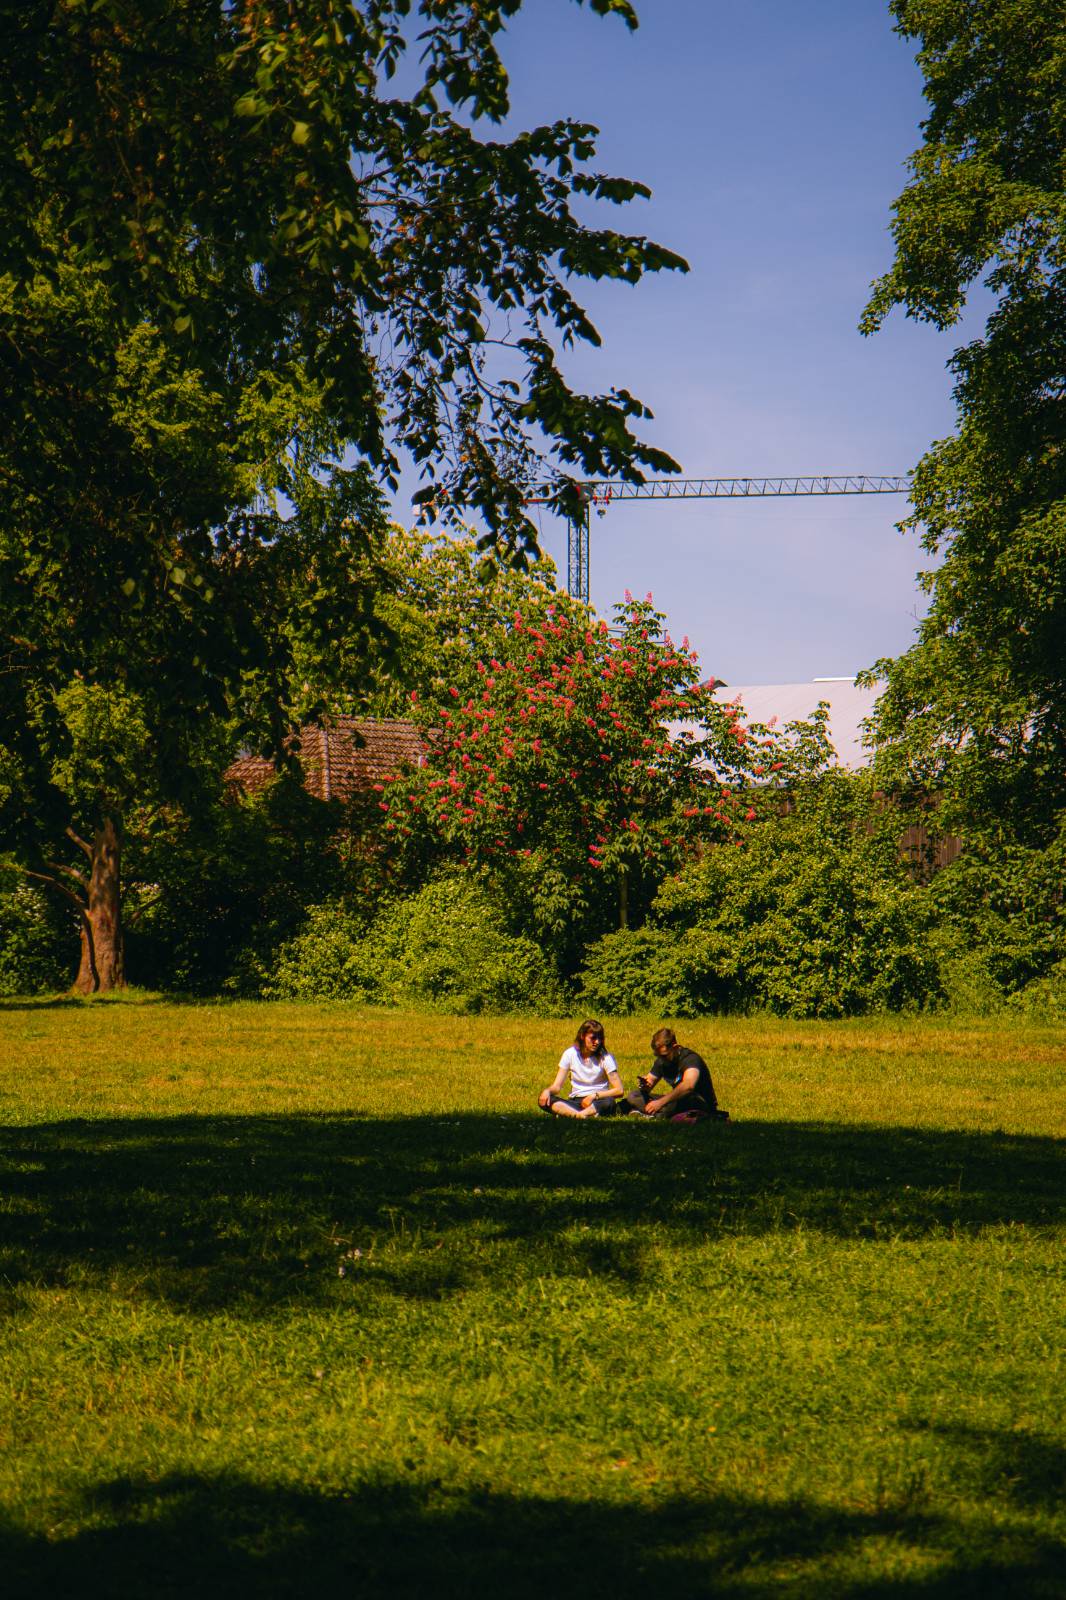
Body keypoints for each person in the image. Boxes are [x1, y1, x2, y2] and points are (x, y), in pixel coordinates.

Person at [625, 1027, 721, 1120]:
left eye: (663, 1055)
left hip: (699, 1102)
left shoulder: (690, 1059)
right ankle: (658, 1113)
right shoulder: (662, 1061)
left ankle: (654, 1114)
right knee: (634, 1095)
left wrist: (660, 1103)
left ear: (675, 1047)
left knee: (687, 1098)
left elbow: (688, 1086)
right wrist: (645, 1085)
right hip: (675, 1103)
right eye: (657, 1055)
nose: (660, 1059)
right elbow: (649, 1082)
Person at [539, 1020, 626, 1118]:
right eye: (593, 1038)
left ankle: (575, 1114)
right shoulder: (569, 1054)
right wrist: (547, 1091)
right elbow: (557, 1086)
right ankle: (580, 1115)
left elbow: (619, 1090)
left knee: (609, 1102)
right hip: (576, 1101)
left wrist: (594, 1096)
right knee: (545, 1099)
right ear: (582, 1036)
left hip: (598, 1100)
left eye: (600, 1038)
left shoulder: (606, 1058)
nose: (597, 1042)